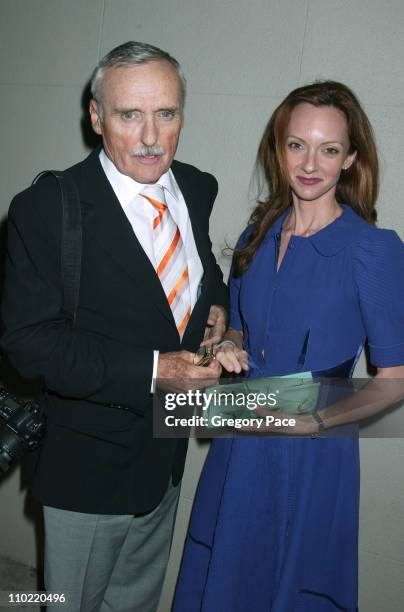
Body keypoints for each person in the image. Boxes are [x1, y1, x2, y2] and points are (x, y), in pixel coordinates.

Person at [0, 41, 228, 612]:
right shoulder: (47, 207)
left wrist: (220, 310)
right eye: (130, 115)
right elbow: (29, 342)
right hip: (88, 464)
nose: (151, 136)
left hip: (166, 451)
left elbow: (203, 274)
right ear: (97, 116)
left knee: (134, 602)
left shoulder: (196, 187)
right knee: (63, 599)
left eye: (166, 114)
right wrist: (159, 369)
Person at [173, 81, 404, 611]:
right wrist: (224, 346)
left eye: (328, 149)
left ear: (350, 159)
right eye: (296, 144)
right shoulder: (260, 231)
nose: (309, 163)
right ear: (279, 148)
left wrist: (317, 420)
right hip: (241, 429)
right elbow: (239, 329)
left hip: (314, 450)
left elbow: (394, 381)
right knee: (221, 572)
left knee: (287, 585)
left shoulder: (373, 250)